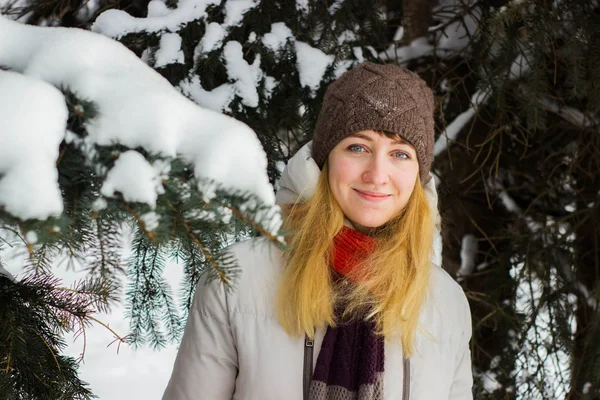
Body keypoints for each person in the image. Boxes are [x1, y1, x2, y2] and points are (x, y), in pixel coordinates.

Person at [162, 62, 473, 400]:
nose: (377, 174)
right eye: (358, 147)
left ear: (418, 176)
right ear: (325, 160)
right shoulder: (238, 279)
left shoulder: (445, 300)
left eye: (400, 154)